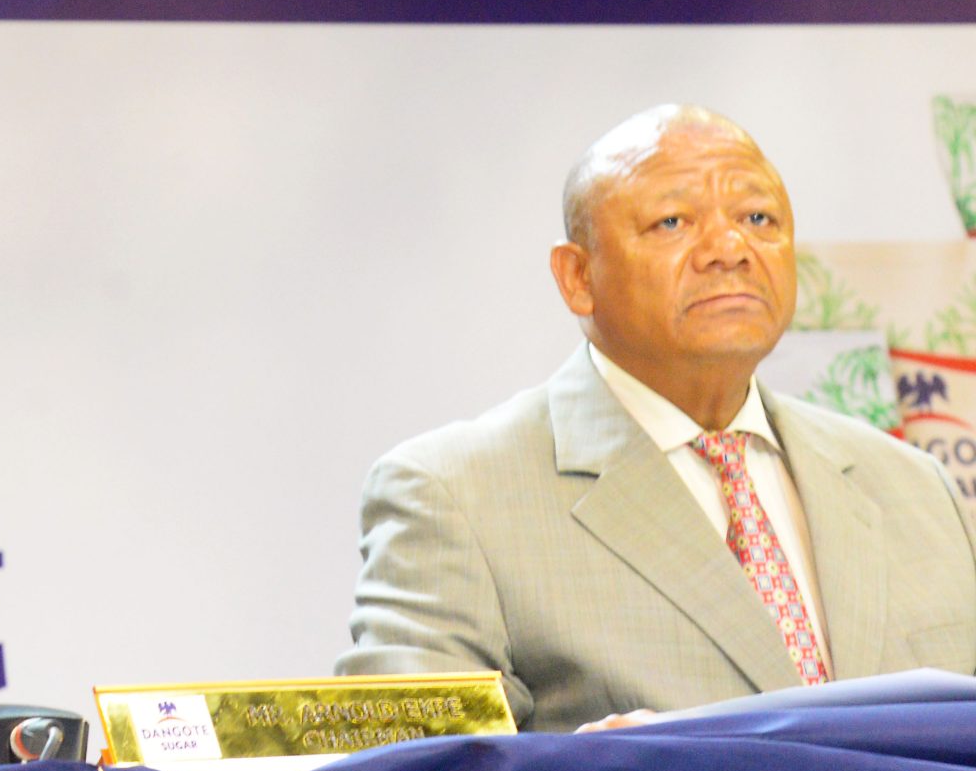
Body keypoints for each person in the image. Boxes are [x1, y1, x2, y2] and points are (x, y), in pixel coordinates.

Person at [339, 104, 976, 729]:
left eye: (758, 218)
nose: (729, 249)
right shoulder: (456, 495)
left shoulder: (914, 486)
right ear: (578, 277)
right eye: (672, 222)